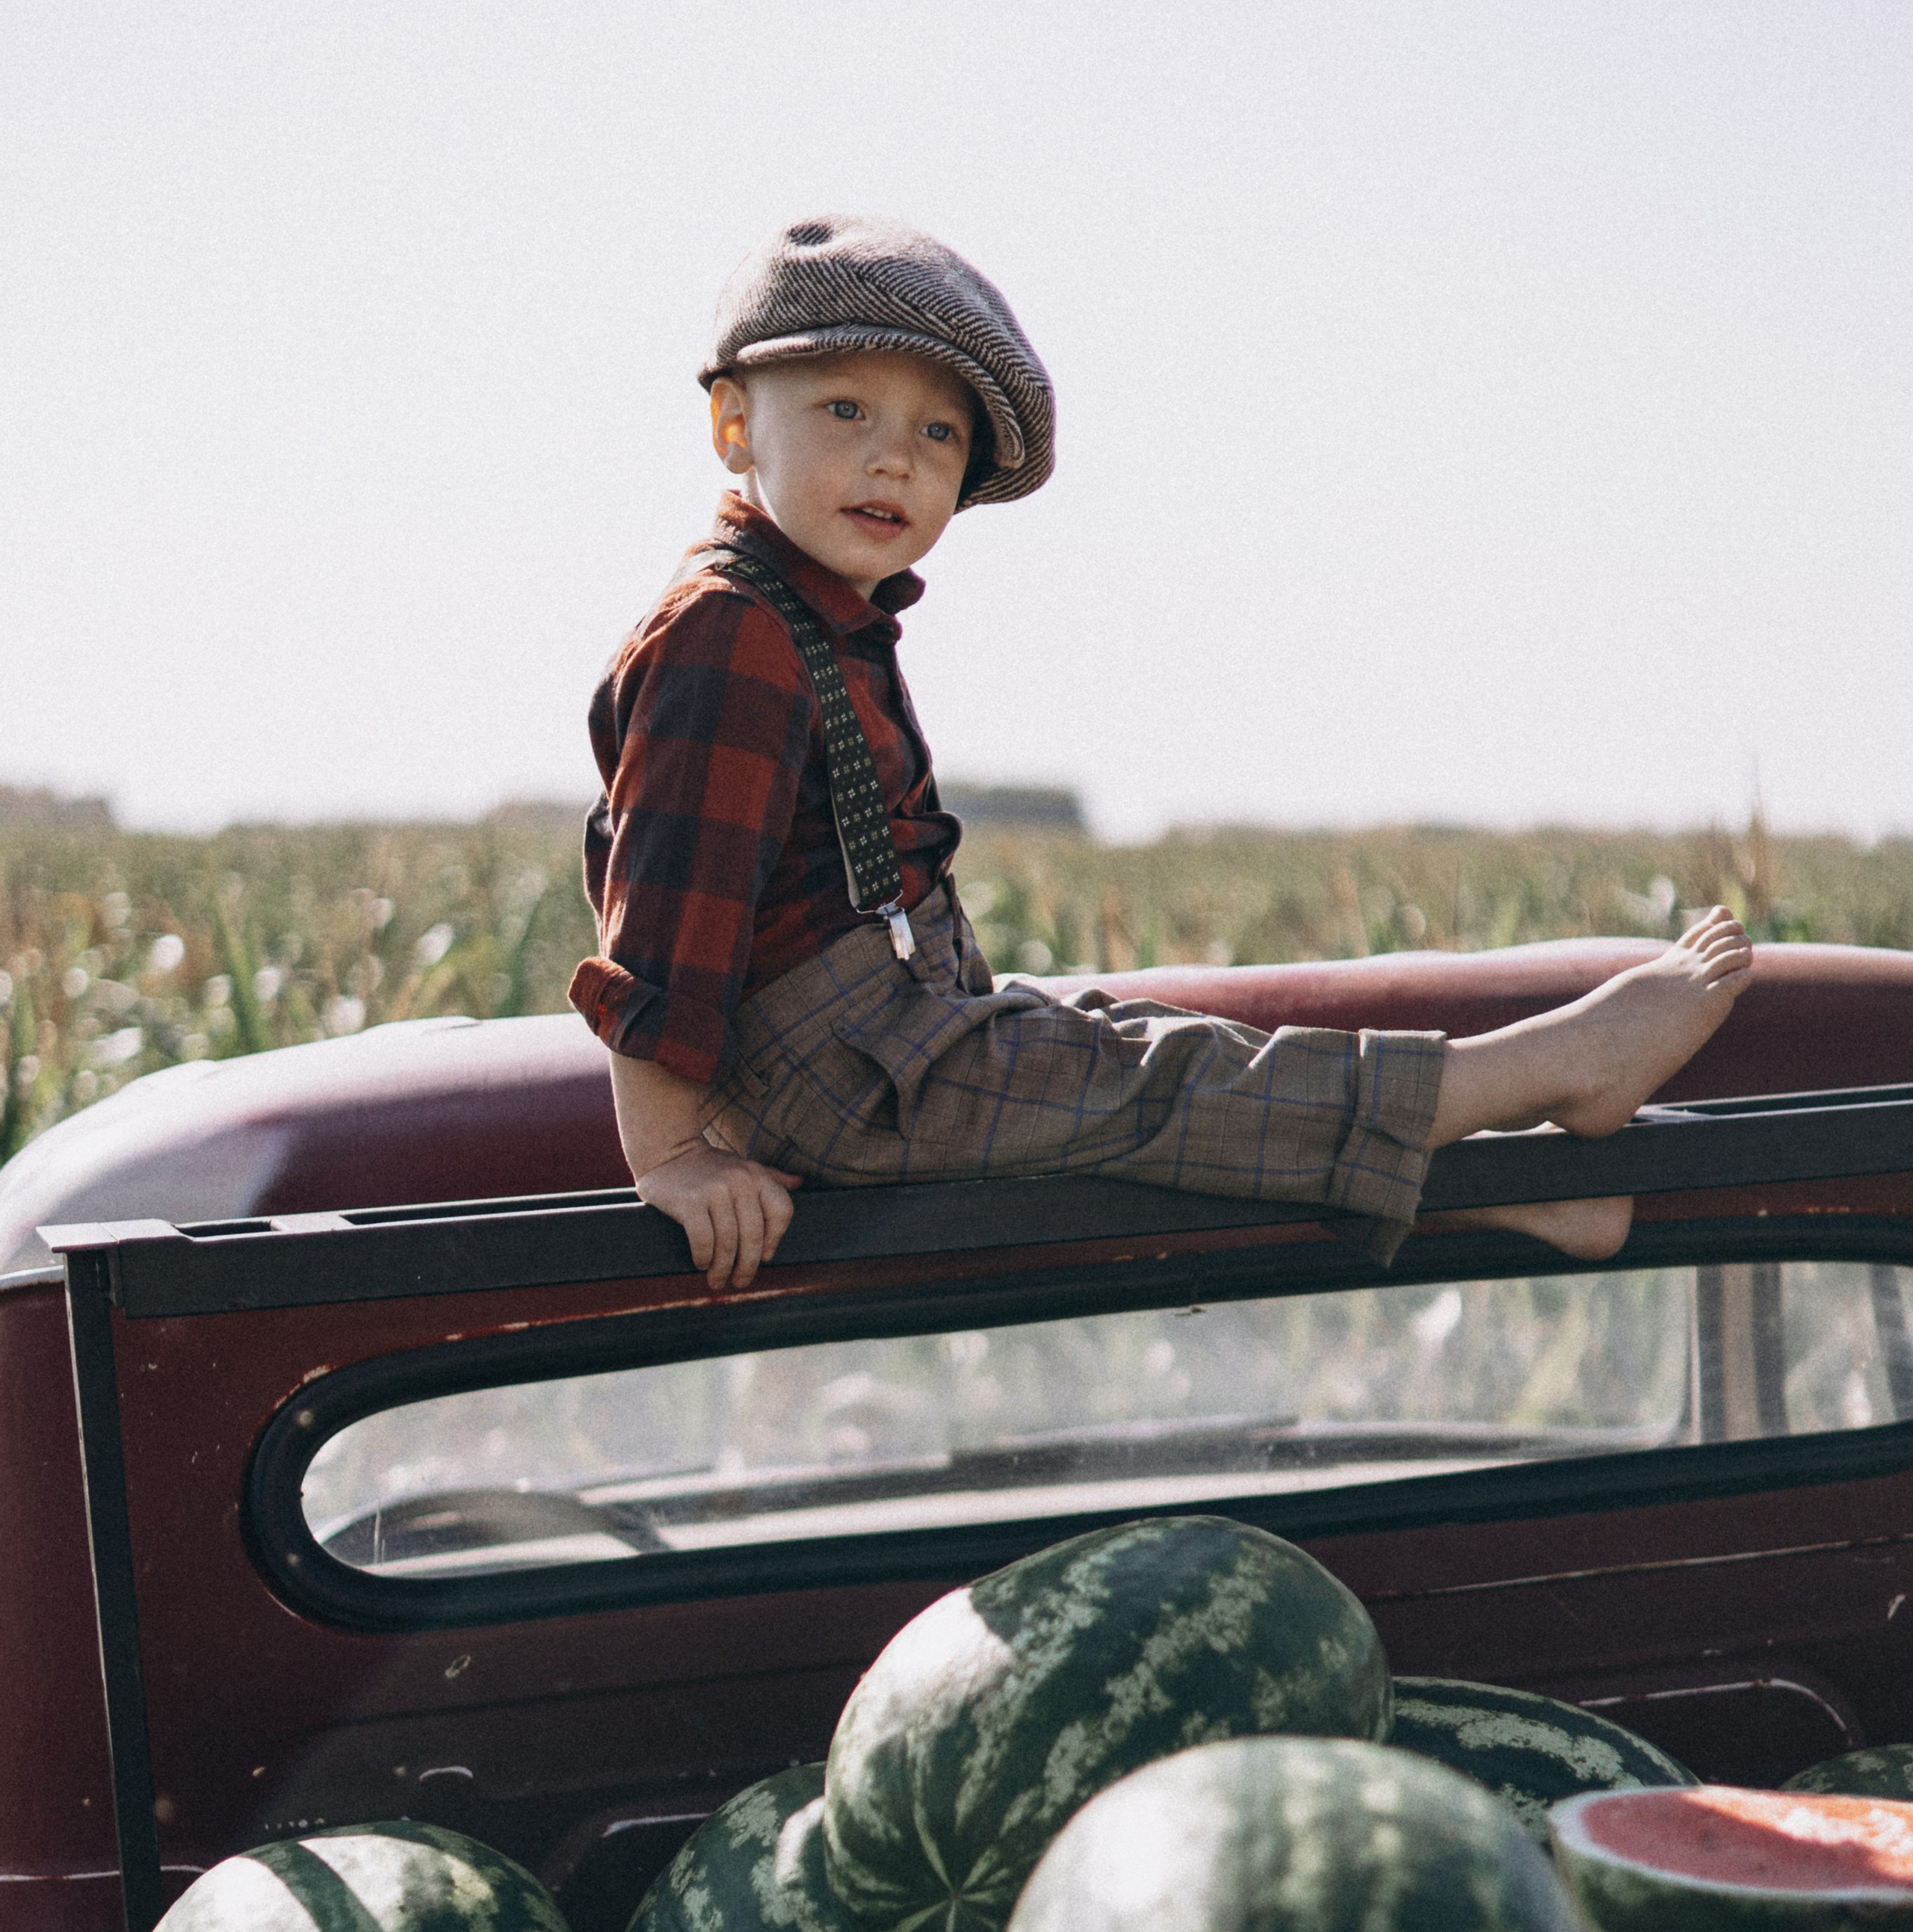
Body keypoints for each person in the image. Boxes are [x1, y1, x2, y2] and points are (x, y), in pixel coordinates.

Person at [570, 215, 1752, 1293]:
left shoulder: (814, 617)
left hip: (888, 1042)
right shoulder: (729, 633)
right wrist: (672, 1154)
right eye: (847, 412)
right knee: (1162, 1083)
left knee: (1144, 1061)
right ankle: (1543, 1067)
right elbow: (670, 911)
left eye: (938, 432)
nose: (896, 461)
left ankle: (1510, 1188)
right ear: (734, 425)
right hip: (839, 1077)